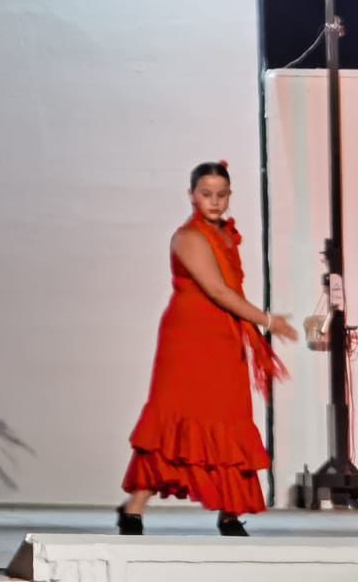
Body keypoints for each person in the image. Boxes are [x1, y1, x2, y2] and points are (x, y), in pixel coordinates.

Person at [117, 161, 297, 537]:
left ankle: (230, 513)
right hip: (189, 339)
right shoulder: (190, 237)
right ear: (192, 195)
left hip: (223, 338)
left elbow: (227, 293)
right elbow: (216, 290)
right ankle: (134, 507)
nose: (214, 202)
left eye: (221, 195)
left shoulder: (226, 235)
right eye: (206, 194)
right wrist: (268, 321)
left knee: (228, 420)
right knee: (174, 419)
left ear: (229, 196)